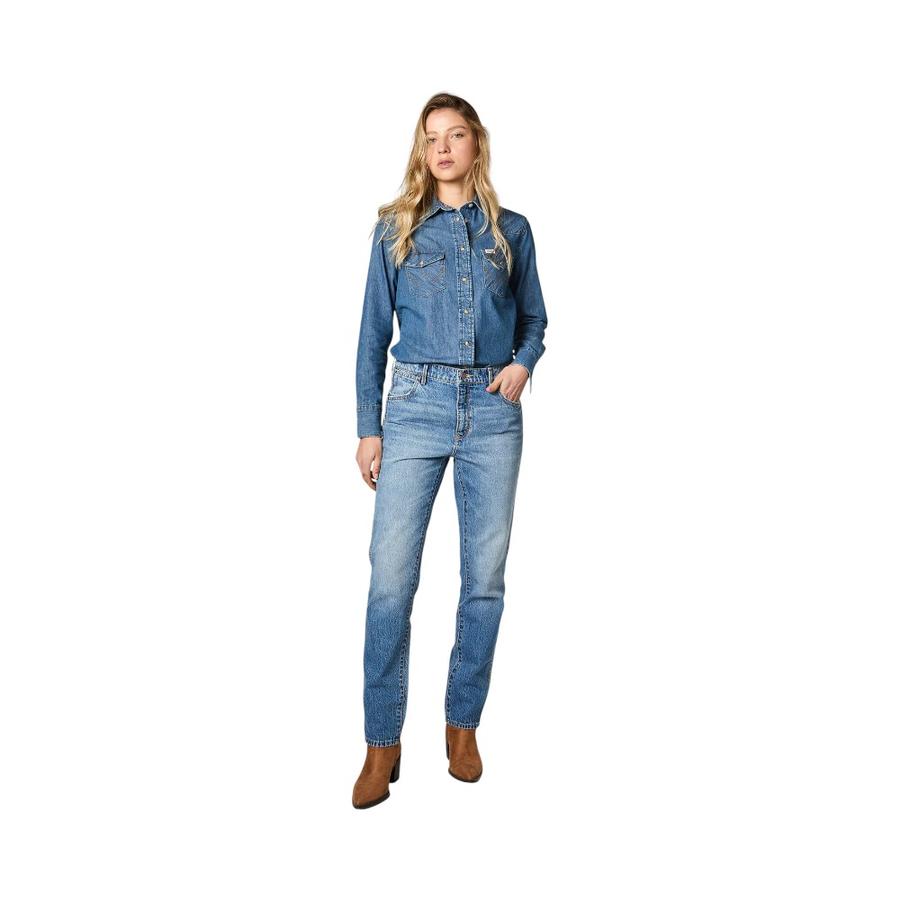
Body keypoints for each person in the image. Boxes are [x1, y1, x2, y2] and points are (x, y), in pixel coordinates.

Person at [352, 93, 548, 809]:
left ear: (475, 145)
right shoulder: (395, 229)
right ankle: (381, 742)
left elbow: (535, 318)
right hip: (414, 406)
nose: (442, 148)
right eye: (431, 136)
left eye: (455, 135)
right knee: (390, 581)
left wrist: (523, 363)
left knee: (484, 580)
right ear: (421, 149)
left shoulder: (511, 231)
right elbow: (372, 334)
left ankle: (462, 727)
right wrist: (369, 427)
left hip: (493, 413)